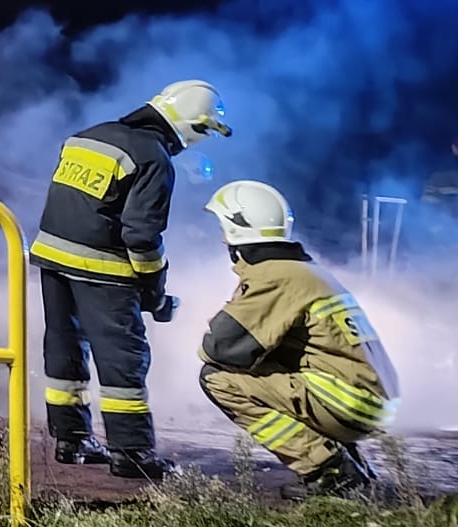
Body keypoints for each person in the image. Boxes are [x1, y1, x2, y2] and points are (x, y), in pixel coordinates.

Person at [31, 79, 231, 480]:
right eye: (205, 131)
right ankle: (132, 452)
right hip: (102, 269)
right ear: (192, 125)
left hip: (52, 259)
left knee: (64, 348)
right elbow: (140, 236)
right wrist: (154, 289)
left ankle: (70, 441)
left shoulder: (88, 137)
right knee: (123, 360)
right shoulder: (154, 159)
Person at [197, 180, 398, 495]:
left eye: (223, 227)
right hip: (368, 400)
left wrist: (225, 329)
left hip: (346, 402)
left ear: (238, 230)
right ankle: (352, 467)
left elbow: (219, 349)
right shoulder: (303, 271)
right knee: (277, 361)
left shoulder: (274, 276)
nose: (221, 238)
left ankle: (328, 470)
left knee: (217, 379)